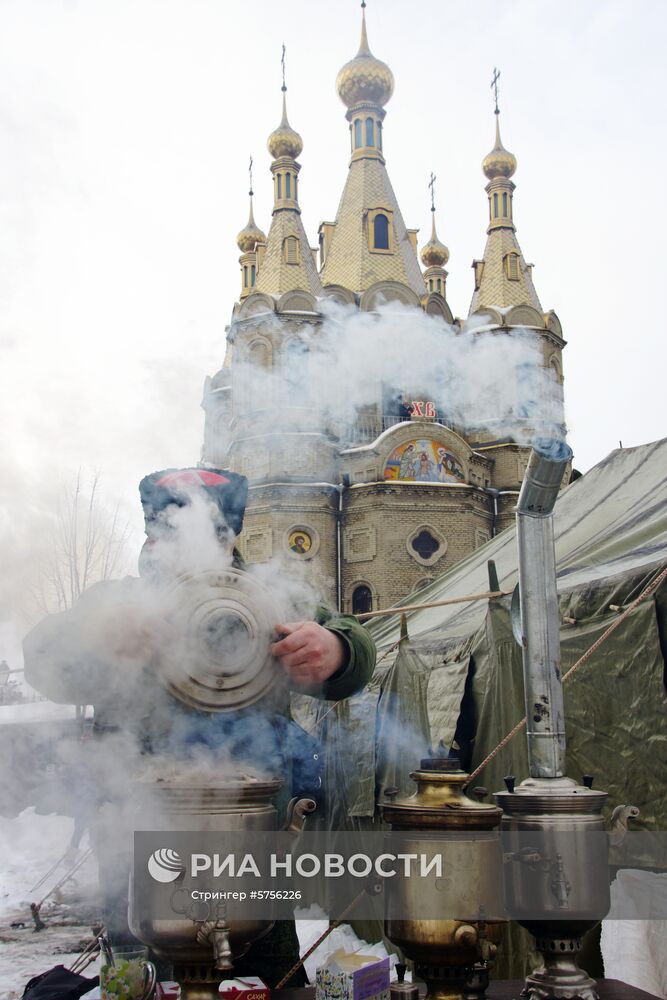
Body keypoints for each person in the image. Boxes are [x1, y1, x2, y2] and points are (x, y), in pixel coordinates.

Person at [23, 467, 376, 985]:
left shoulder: (269, 601)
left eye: (212, 530)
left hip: (253, 849)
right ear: (150, 534)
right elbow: (42, 658)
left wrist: (337, 649)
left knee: (267, 981)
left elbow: (355, 647)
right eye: (169, 528)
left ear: (232, 534)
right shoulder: (118, 602)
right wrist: (95, 637)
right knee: (141, 984)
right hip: (140, 848)